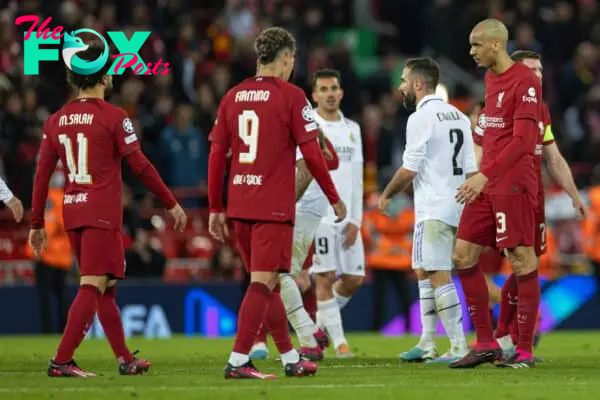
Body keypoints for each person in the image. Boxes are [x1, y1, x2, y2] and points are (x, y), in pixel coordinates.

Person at [29, 45, 187, 378]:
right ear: (103, 75)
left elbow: (42, 174)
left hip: (72, 211)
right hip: (100, 211)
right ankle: (62, 360)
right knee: (93, 284)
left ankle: (124, 359)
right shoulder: (115, 116)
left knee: (105, 287)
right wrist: (170, 201)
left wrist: (36, 223)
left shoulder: (56, 120)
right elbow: (140, 167)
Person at [207, 27, 346, 380]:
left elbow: (215, 154)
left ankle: (288, 357)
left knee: (266, 283)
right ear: (286, 58)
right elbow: (314, 156)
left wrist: (214, 207)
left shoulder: (232, 96)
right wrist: (334, 197)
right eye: (291, 61)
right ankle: (239, 360)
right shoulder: (292, 95)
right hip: (271, 207)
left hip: (238, 204)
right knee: (263, 282)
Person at [450, 19, 542, 369]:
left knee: (521, 259)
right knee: (462, 254)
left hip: (512, 183)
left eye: (476, 45)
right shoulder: (490, 78)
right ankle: (486, 342)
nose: (471, 52)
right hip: (487, 183)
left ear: (494, 45)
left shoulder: (525, 82)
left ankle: (523, 350)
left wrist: (483, 175)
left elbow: (522, 142)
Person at [488, 50, 585, 357]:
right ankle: (513, 340)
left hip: (533, 196)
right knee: (521, 266)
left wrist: (572, 192)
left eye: (540, 70)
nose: (537, 75)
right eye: (530, 69)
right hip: (506, 194)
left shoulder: (540, 112)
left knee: (523, 270)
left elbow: (553, 156)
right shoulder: (500, 106)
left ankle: (507, 337)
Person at [378, 57, 475, 363]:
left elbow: (409, 169)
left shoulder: (420, 118)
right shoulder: (459, 116)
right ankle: (427, 341)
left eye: (404, 81)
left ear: (419, 84)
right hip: (459, 204)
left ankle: (459, 346)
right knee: (423, 270)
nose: (401, 87)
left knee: (437, 274)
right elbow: (472, 169)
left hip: (433, 206)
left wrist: (387, 194)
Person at [250, 130, 338, 362]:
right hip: (307, 204)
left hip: (300, 204)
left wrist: (283, 205)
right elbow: (329, 158)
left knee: (279, 272)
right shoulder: (299, 118)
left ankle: (309, 338)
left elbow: (308, 167)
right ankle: (311, 332)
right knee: (278, 273)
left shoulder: (288, 118)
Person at [308, 69, 364, 359]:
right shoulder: (309, 128)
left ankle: (318, 330)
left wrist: (356, 219)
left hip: (348, 217)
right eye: (323, 89)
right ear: (314, 95)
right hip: (320, 215)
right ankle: (340, 344)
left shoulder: (352, 129)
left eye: (333, 88)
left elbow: (357, 178)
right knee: (325, 277)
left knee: (355, 278)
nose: (329, 94)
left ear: (341, 92)